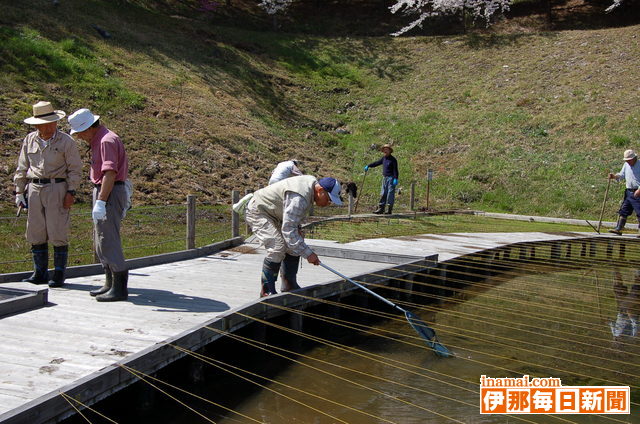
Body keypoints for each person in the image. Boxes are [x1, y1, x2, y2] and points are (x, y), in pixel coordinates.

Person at [14, 101, 82, 288]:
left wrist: (71, 191)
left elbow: (75, 169)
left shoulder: (66, 142)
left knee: (57, 229)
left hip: (57, 187)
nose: (51, 126)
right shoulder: (29, 140)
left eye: (53, 122)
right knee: (36, 231)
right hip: (34, 188)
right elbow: (22, 167)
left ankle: (59, 273)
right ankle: (40, 272)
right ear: (37, 125)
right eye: (47, 123)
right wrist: (19, 192)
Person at [68, 108, 129, 302]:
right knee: (101, 238)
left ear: (88, 128)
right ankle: (110, 282)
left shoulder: (106, 141)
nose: (79, 138)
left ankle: (119, 287)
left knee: (108, 238)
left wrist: (102, 201)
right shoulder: (101, 139)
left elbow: (110, 173)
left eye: (79, 133)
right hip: (105, 190)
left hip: (108, 191)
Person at [245, 175, 342, 297]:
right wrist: (308, 254)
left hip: (275, 213)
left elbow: (292, 221)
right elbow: (288, 230)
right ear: (320, 190)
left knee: (296, 243)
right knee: (277, 247)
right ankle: (266, 290)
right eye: (329, 199)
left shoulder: (310, 188)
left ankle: (289, 284)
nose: (329, 203)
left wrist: (299, 235)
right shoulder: (299, 197)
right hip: (259, 210)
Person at [608, 149, 640, 235]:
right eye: (627, 160)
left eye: (629, 160)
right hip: (628, 192)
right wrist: (614, 176)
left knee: (639, 211)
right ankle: (619, 228)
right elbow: (621, 175)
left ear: (634, 158)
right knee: (624, 210)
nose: (628, 162)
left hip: (638, 191)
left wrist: (639, 190)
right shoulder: (626, 165)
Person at [365, 144, 399, 215]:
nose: (385, 151)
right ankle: (381, 208)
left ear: (390, 151)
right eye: (384, 150)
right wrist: (369, 165)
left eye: (387, 149)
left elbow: (395, 170)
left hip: (391, 178)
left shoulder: (393, 160)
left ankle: (389, 209)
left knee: (390, 194)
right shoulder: (384, 159)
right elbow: (376, 163)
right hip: (385, 178)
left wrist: (395, 178)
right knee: (383, 193)